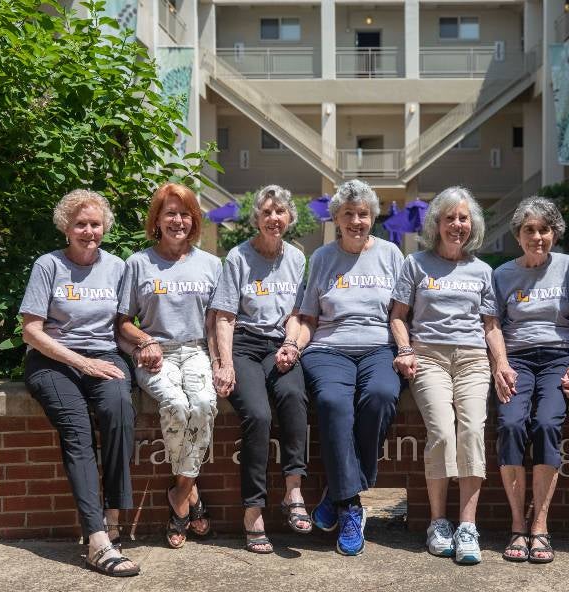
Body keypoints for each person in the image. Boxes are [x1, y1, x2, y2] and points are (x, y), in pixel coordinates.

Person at [20, 190, 139, 577]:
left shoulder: (117, 266)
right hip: (53, 361)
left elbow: (120, 328)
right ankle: (97, 540)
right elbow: (31, 332)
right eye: (80, 224)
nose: (89, 231)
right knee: (78, 431)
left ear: (105, 227)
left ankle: (113, 513)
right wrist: (81, 363)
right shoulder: (48, 265)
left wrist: (144, 349)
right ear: (66, 228)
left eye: (95, 224)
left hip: (102, 357)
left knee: (119, 409)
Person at [389, 187, 501, 565]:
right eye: (450, 218)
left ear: (473, 225)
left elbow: (490, 326)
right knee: (440, 428)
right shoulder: (415, 264)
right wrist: (405, 350)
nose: (457, 225)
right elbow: (397, 316)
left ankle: (467, 525)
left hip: (472, 359)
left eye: (464, 218)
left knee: (471, 430)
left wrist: (500, 363)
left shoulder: (482, 270)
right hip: (428, 357)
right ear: (436, 223)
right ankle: (438, 523)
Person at [296, 179, 403, 556]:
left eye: (363, 214)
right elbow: (308, 315)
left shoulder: (391, 254)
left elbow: (402, 314)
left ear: (372, 217)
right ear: (336, 219)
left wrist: (406, 350)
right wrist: (294, 346)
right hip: (329, 348)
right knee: (331, 402)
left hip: (378, 346)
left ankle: (336, 496)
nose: (356, 221)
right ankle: (351, 506)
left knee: (381, 394)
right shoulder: (323, 258)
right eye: (348, 215)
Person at [117, 182, 221, 549]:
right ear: (157, 220)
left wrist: (221, 363)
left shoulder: (211, 265)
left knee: (205, 404)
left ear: (194, 220)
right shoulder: (138, 263)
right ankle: (189, 498)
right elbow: (122, 321)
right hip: (153, 352)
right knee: (176, 405)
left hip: (195, 351)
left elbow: (216, 324)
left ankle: (180, 493)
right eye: (170, 213)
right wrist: (145, 341)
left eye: (185, 214)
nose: (178, 220)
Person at [492, 197, 569, 565]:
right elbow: (494, 326)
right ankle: (518, 525)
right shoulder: (502, 274)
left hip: (557, 358)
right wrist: (500, 364)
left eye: (544, 229)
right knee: (511, 423)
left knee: (547, 423)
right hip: (517, 358)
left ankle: (541, 526)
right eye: (529, 230)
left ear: (555, 233)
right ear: (518, 235)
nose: (537, 236)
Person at [211, 185, 311, 554]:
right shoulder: (237, 257)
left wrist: (290, 346)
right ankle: (253, 511)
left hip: (279, 344)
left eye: (280, 212)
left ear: (289, 218)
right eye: (267, 212)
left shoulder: (297, 258)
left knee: (294, 395)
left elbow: (298, 314)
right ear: (256, 218)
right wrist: (223, 364)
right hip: (243, 344)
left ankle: (293, 491)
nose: (274, 218)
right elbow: (224, 316)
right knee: (257, 413)